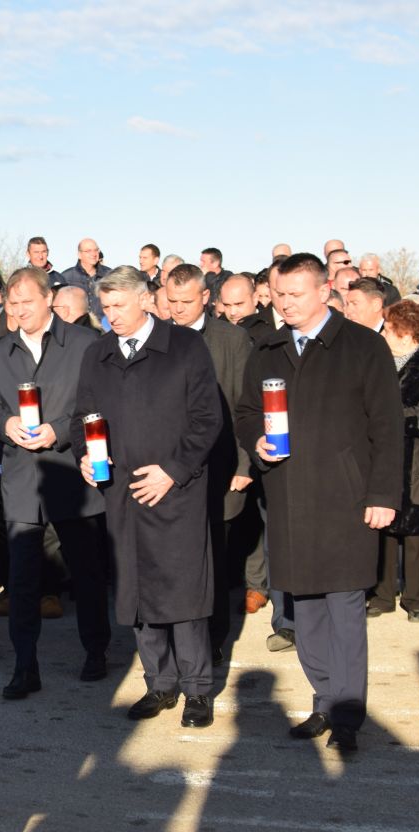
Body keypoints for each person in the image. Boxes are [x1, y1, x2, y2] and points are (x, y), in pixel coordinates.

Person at [235, 253, 403, 753]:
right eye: (278, 294)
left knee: (345, 604)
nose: (284, 304)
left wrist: (382, 494)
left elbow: (388, 426)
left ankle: (348, 713)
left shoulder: (362, 345)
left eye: (295, 294)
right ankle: (324, 699)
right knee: (303, 607)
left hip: (348, 497)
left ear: (325, 289)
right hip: (288, 494)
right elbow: (246, 413)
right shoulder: (267, 349)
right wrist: (257, 443)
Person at [72, 266, 223, 725]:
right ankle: (159, 683)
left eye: (119, 306)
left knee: (183, 590)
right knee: (136, 590)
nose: (110, 315)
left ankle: (198, 688)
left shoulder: (184, 346)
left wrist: (173, 471)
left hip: (175, 490)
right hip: (120, 491)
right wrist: (84, 456)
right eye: (105, 307)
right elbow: (83, 416)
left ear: (145, 301)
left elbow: (206, 420)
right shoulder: (97, 354)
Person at [0, 266, 109, 699]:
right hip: (22, 480)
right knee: (23, 579)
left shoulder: (85, 344)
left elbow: (101, 404)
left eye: (26, 302)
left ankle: (96, 651)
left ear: (49, 299)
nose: (18, 311)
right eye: (12, 304)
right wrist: (5, 422)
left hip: (72, 473)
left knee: (86, 573)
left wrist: (61, 431)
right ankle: (24, 666)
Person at [167, 263, 254, 654]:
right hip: (170, 469)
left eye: (186, 301)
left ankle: (213, 641)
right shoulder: (159, 338)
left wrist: (243, 464)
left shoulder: (232, 340)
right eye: (171, 301)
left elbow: (244, 406)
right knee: (176, 559)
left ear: (206, 298)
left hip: (221, 466)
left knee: (214, 560)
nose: (178, 309)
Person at [369, 300, 419, 621]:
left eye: (388, 328)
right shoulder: (380, 362)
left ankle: (418, 598)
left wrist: (388, 417)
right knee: (384, 522)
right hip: (385, 452)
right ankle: (382, 593)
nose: (383, 332)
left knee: (417, 527)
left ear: (405, 332)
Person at [60, 237, 111, 319]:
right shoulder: (66, 277)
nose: (94, 254)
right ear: (79, 255)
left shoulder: (110, 275)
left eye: (96, 250)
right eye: (88, 251)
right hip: (77, 328)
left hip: (105, 328)